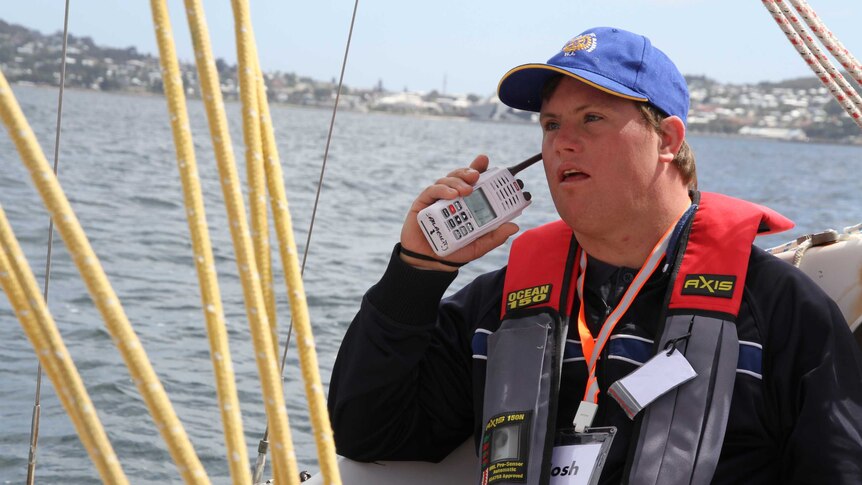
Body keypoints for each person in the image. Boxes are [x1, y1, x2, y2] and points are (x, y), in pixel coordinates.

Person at [327, 26, 862, 484]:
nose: (562, 143)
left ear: (668, 139)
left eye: (592, 119)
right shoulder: (504, 304)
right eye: (551, 124)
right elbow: (368, 430)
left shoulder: (780, 311)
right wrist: (417, 272)